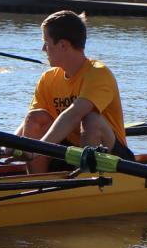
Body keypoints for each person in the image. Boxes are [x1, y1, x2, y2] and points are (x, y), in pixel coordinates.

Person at [17, 10, 130, 173]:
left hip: (111, 157)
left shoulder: (98, 73)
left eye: (46, 43)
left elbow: (73, 115)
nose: (43, 49)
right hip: (71, 150)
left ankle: (84, 184)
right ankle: (36, 184)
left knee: (91, 120)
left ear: (63, 45)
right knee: (35, 117)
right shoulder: (48, 78)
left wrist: (35, 149)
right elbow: (27, 124)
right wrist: (11, 144)